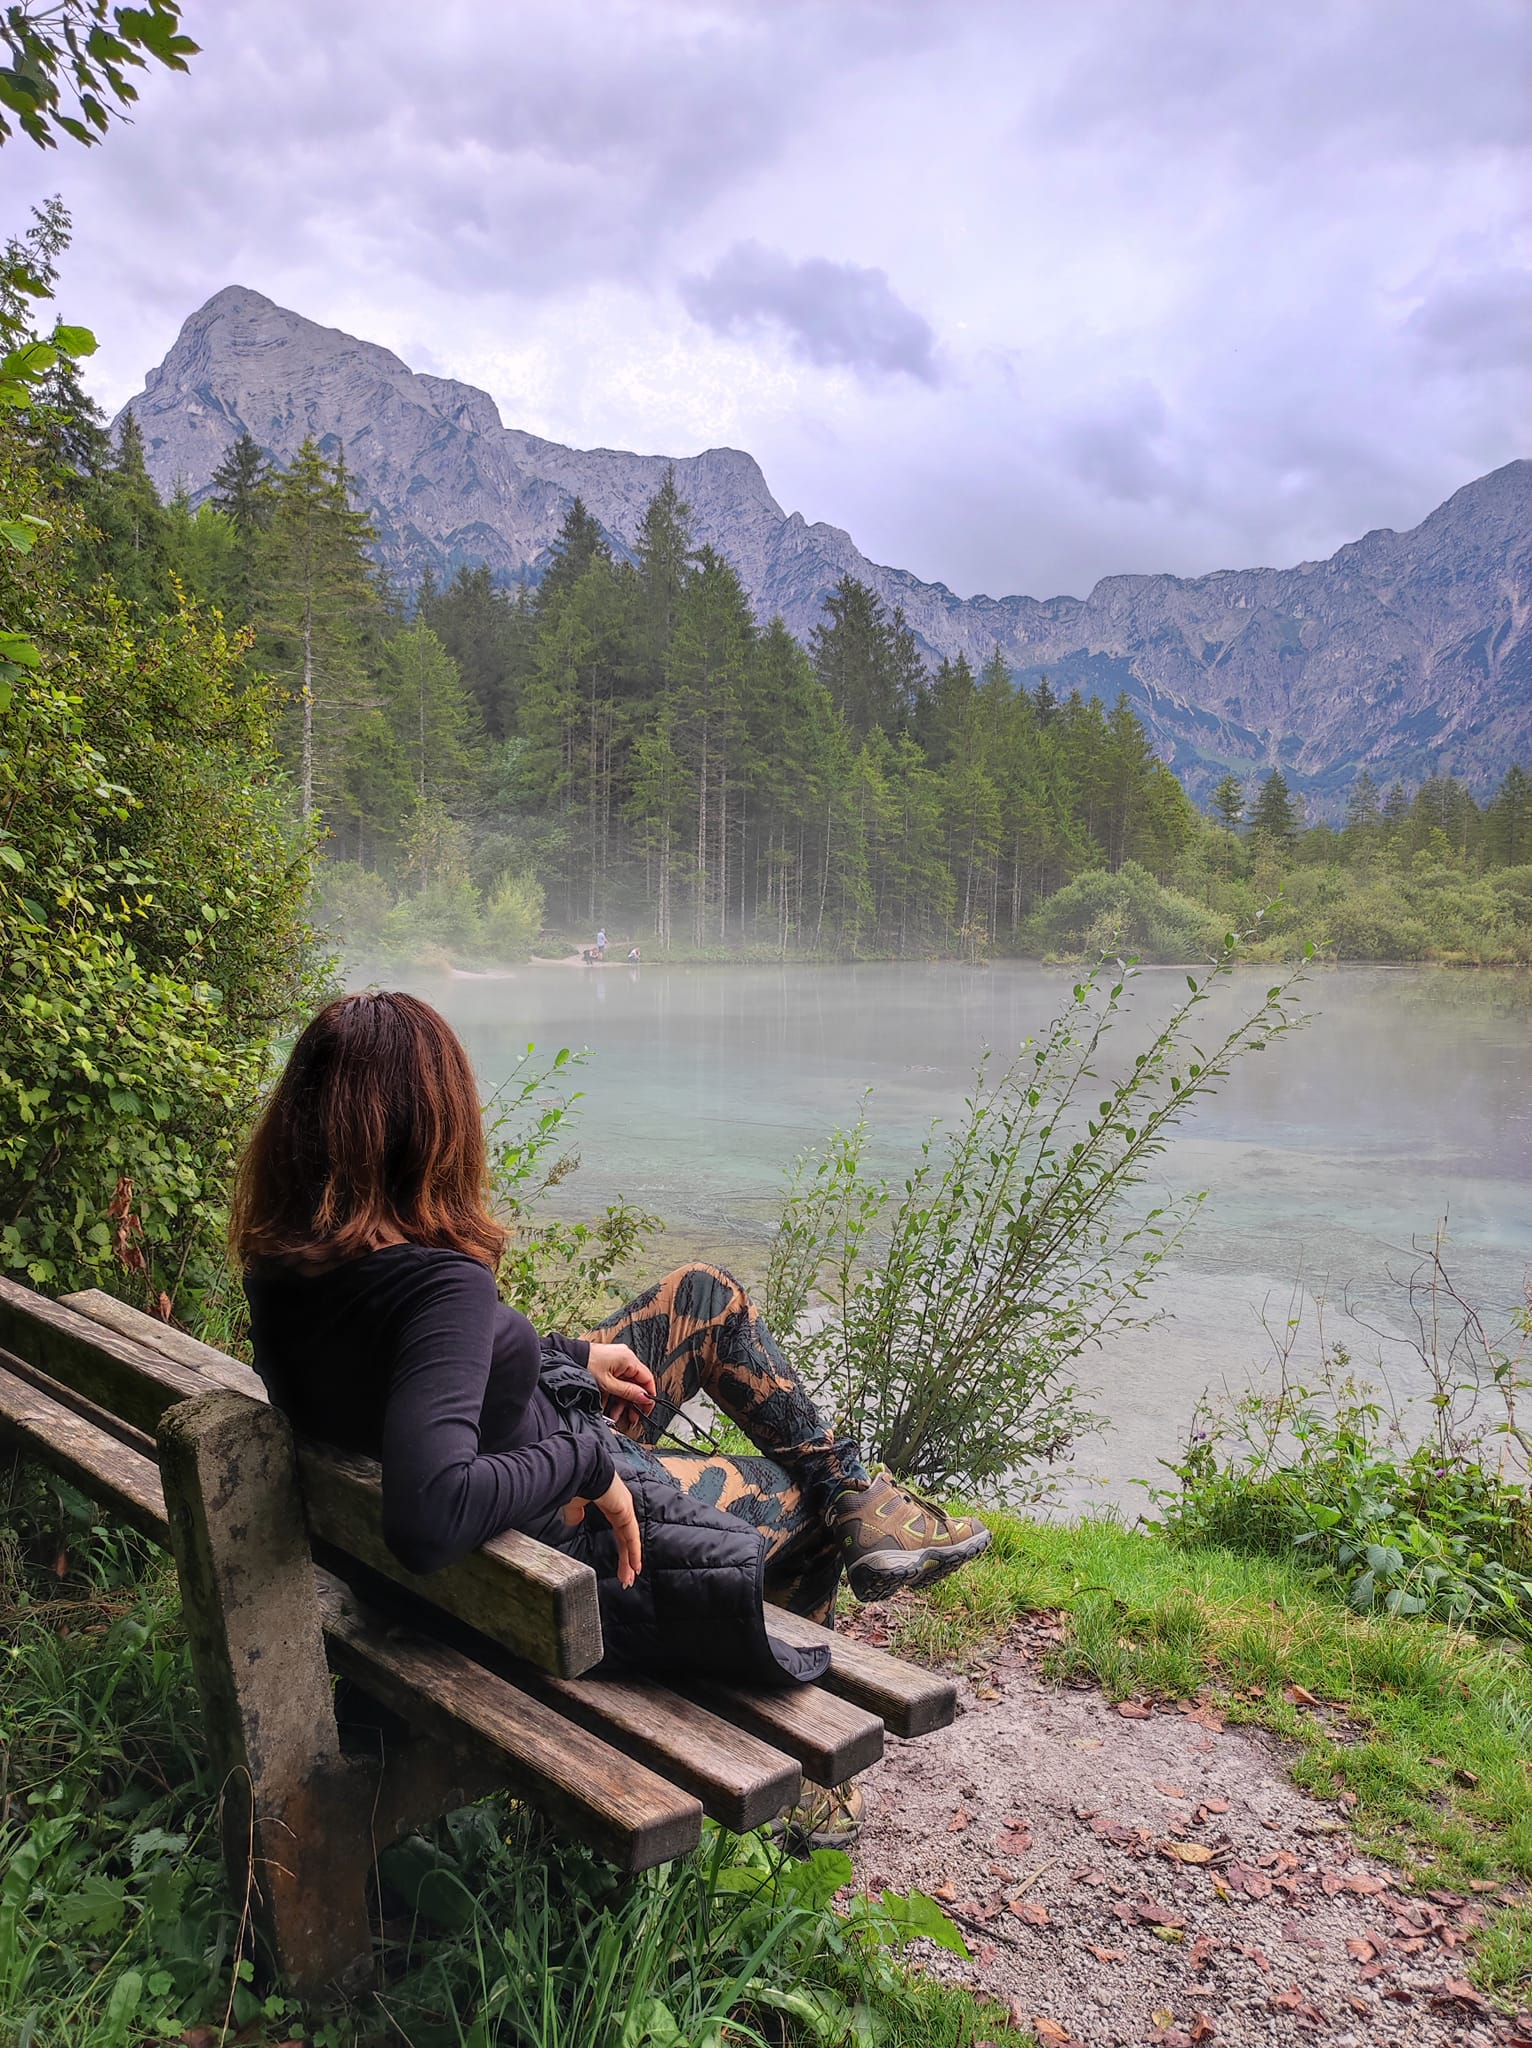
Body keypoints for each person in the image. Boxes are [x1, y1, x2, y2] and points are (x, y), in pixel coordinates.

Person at [231, 992, 989, 1844]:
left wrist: (561, 1355)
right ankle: (811, 1770)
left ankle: (858, 1493)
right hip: (549, 1555)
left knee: (704, 1293)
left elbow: (424, 1374)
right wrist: (586, 1464)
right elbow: (426, 1511)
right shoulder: (440, 1287)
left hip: (489, 1494)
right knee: (793, 1502)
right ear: (429, 1126)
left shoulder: (287, 1263)